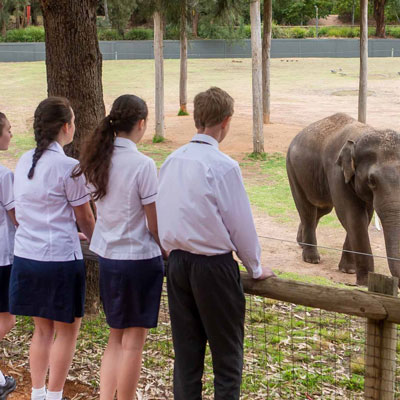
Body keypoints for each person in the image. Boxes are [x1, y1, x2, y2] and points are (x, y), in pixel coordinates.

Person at [156, 86, 275, 399]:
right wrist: (256, 266)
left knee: (186, 356)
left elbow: (162, 213)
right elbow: (241, 227)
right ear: (226, 121)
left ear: (197, 118)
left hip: (178, 264)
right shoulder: (223, 166)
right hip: (213, 268)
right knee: (226, 358)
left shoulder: (171, 161)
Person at [73, 95, 164, 400]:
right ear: (141, 124)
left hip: (109, 260)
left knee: (115, 338)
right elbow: (154, 225)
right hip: (140, 260)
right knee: (134, 343)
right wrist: (167, 248)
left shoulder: (98, 160)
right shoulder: (144, 165)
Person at [9, 97, 95, 400]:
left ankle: (37, 393)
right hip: (59, 260)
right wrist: (98, 241)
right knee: (67, 332)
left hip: (27, 258)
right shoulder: (70, 167)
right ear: (66, 127)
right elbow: (85, 217)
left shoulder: (22, 161)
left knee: (42, 330)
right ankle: (55, 395)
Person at [0, 112, 17, 398]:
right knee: (8, 317)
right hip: (3, 257)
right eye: (9, 129)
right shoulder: (4, 175)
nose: (11, 134)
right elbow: (18, 218)